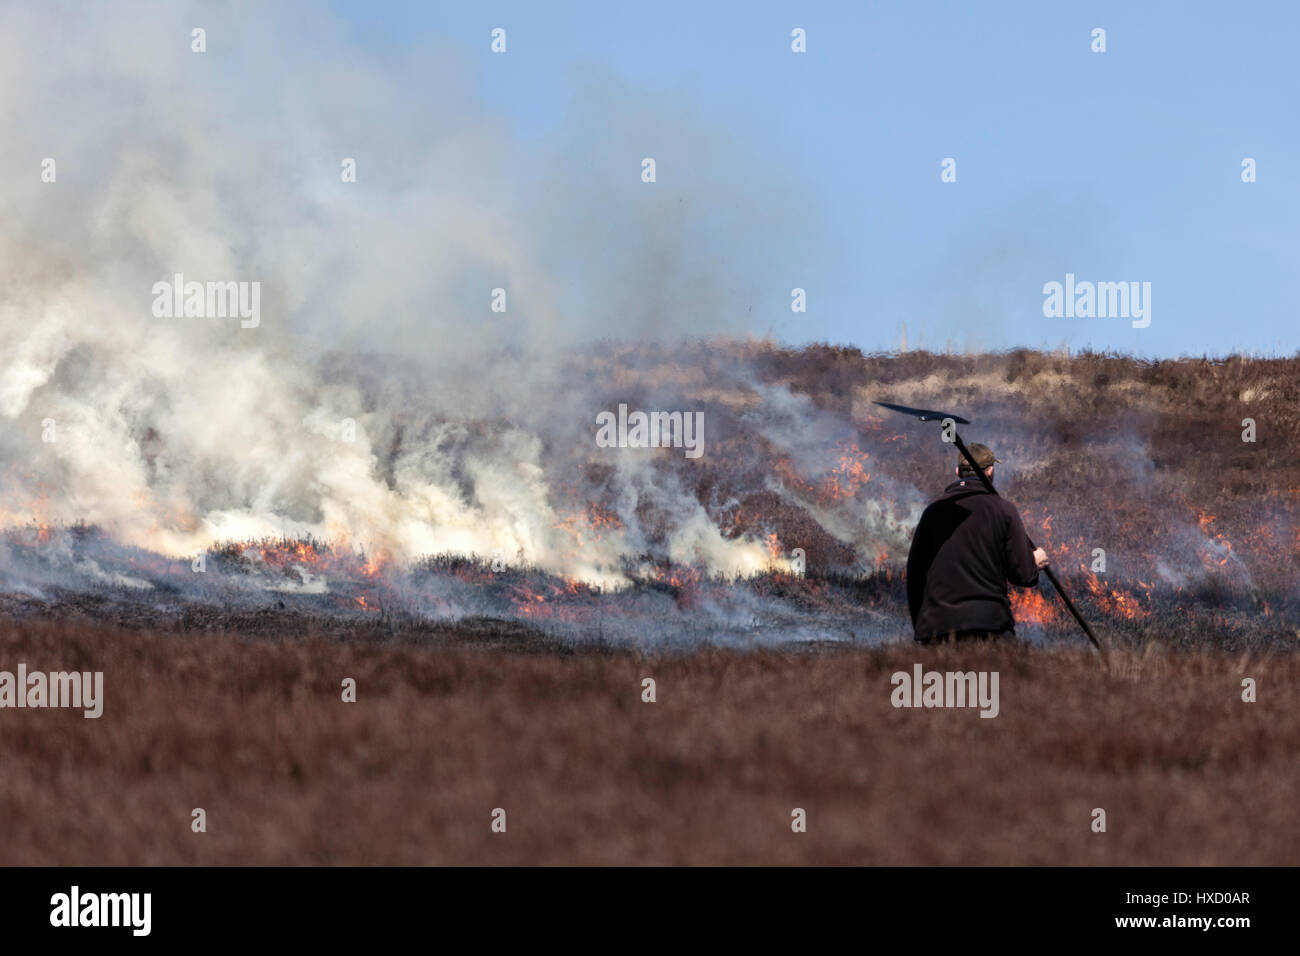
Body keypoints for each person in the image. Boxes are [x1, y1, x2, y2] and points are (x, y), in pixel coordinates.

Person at [905, 442, 1050, 644]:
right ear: (990, 471)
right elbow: (1024, 575)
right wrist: (1034, 561)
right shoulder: (1003, 510)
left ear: (957, 472)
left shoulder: (932, 512)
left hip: (937, 629)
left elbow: (914, 574)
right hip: (990, 627)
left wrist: (922, 627)